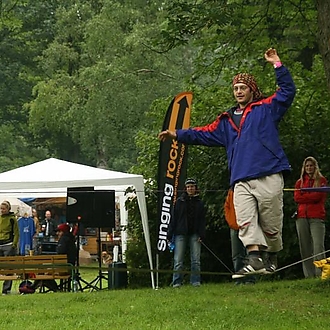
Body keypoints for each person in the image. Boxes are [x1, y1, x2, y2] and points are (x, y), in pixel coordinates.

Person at [159, 48, 296, 277]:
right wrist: (178, 134)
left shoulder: (266, 108)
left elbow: (288, 92)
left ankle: (271, 256)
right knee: (244, 219)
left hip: (269, 172)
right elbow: (202, 133)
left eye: (243, 88)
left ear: (252, 90)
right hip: (240, 178)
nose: (239, 91)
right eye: (235, 88)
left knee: (272, 222)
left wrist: (277, 65)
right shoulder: (226, 121)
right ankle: (254, 258)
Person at [167, 178, 206, 287]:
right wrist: (170, 234)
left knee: (196, 260)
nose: (190, 188)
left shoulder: (199, 203)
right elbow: (173, 218)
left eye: (192, 186)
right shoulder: (179, 202)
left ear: (195, 188)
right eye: (188, 187)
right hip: (180, 233)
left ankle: (195, 281)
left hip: (195, 233)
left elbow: (202, 220)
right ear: (185, 188)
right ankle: (177, 282)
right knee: (178, 260)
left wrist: (202, 235)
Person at [293, 156, 327, 278]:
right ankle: (309, 276)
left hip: (317, 216)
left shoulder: (321, 180)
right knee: (305, 247)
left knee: (318, 246)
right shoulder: (299, 182)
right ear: (304, 167)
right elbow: (297, 198)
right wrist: (309, 196)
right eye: (307, 166)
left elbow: (318, 196)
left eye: (311, 165)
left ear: (315, 166)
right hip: (302, 216)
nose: (309, 168)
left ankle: (321, 274)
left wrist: (305, 196)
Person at [31, 223, 77, 292]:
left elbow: (60, 252)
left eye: (59, 231)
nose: (57, 233)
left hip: (63, 268)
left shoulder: (63, 239)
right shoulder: (71, 239)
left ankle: (34, 288)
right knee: (44, 272)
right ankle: (33, 287)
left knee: (43, 272)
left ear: (63, 232)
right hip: (70, 266)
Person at [0, 200, 19, 294]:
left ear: (8, 209)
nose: (2, 210)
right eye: (1, 209)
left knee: (9, 268)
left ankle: (6, 289)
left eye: (3, 209)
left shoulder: (12, 219)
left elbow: (16, 233)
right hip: (0, 244)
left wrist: (14, 245)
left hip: (8, 244)